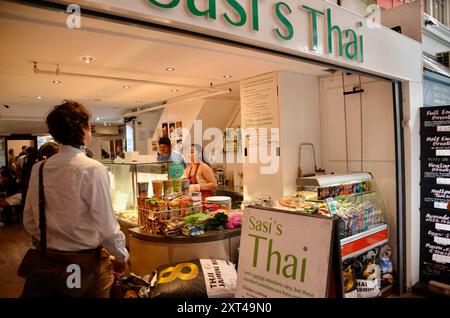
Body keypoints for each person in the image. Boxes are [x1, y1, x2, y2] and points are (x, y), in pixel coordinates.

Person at [22, 100, 128, 298]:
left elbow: (29, 219)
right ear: (81, 128)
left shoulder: (40, 168)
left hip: (49, 261)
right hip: (86, 263)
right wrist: (121, 256)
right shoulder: (93, 168)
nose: (90, 130)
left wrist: (53, 239)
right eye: (89, 125)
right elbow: (106, 225)